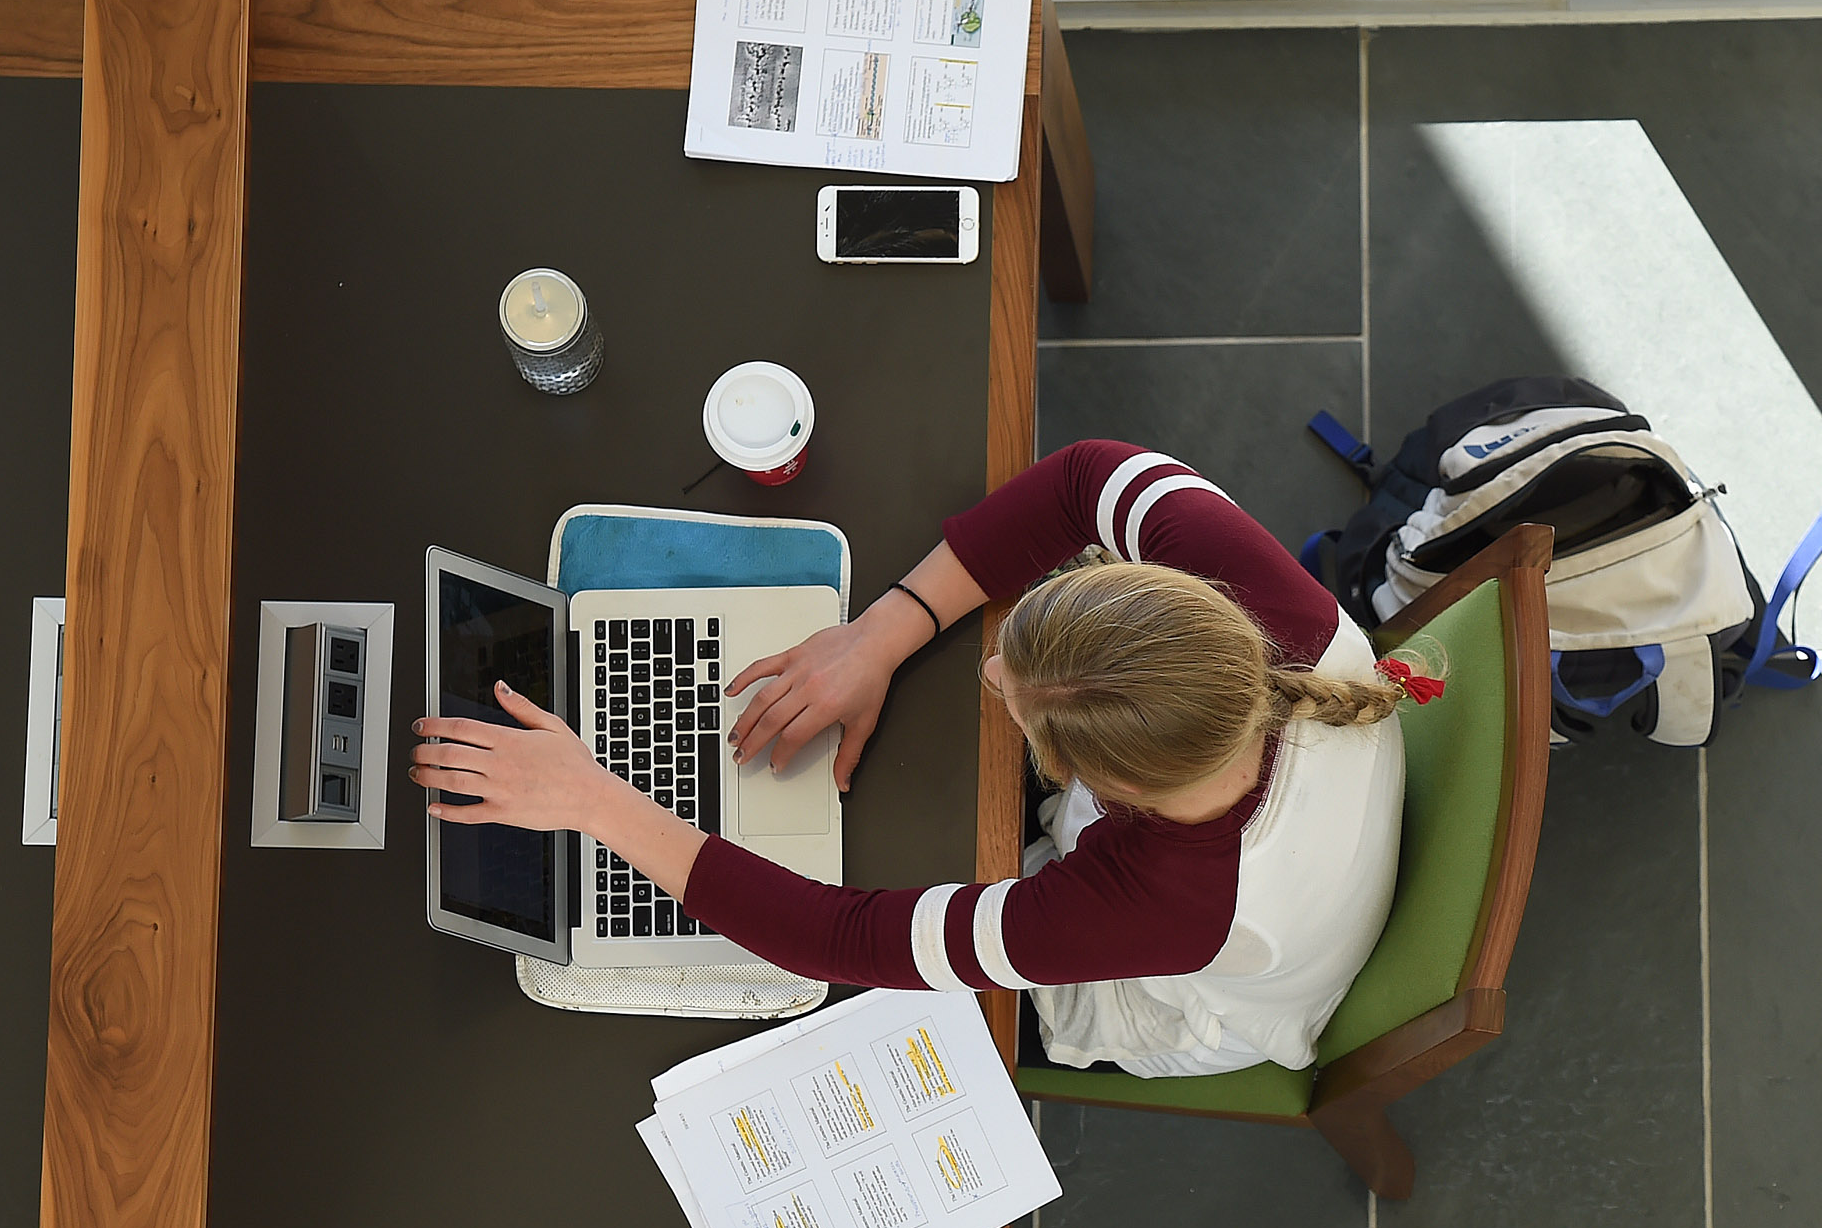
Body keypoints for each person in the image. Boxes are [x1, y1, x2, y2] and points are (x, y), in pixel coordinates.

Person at [408, 441, 1438, 1076]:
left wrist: (597, 800)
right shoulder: (1282, 618)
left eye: (1021, 711)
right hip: (1292, 869)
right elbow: (1088, 475)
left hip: (1200, 1000)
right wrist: (881, 633)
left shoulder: (1165, 901)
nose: (988, 670)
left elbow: (841, 941)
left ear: (1109, 795)